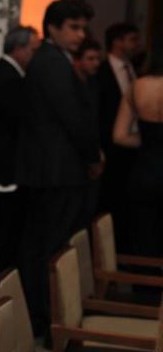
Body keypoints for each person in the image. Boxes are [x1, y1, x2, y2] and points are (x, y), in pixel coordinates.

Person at [16, 0, 102, 337]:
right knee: (48, 251)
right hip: (54, 172)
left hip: (54, 170)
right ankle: (45, 323)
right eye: (74, 27)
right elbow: (72, 118)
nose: (80, 35)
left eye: (83, 28)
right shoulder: (52, 62)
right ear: (52, 28)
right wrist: (93, 156)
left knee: (46, 248)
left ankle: (46, 321)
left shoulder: (55, 59)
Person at [0, 25, 39, 272]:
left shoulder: (9, 74)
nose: (35, 56)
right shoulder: (7, 77)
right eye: (33, 50)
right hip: (5, 169)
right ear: (18, 49)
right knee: (5, 233)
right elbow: (14, 125)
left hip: (7, 165)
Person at [113, 31, 163, 261]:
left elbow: (119, 136)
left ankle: (141, 282)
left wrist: (151, 142)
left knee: (144, 239)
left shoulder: (137, 86)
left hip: (144, 172)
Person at [97, 22, 142, 252]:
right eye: (132, 39)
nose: (136, 45)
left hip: (132, 148)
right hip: (110, 147)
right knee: (109, 203)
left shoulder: (134, 68)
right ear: (117, 42)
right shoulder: (101, 70)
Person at [72, 38, 103, 230]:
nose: (96, 63)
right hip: (76, 158)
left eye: (98, 58)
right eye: (90, 59)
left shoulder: (93, 83)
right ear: (77, 60)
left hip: (91, 153)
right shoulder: (71, 85)